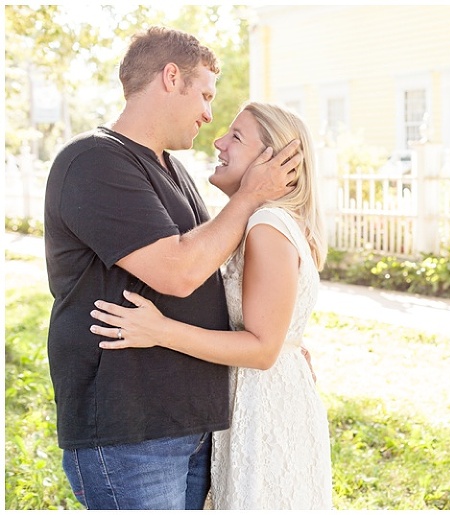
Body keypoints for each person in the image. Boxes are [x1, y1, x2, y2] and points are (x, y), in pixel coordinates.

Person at [43, 27, 301, 510]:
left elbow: (212, 267)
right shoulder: (94, 161)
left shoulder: (173, 169)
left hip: (191, 427)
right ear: (170, 77)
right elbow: (178, 272)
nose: (209, 113)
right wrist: (249, 196)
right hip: (130, 435)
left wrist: (281, 342)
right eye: (204, 94)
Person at [89, 101, 333, 509]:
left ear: (271, 159)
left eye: (236, 137)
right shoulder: (261, 222)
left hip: (264, 407)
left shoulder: (268, 227)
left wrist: (160, 330)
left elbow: (262, 349)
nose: (218, 141)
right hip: (259, 397)